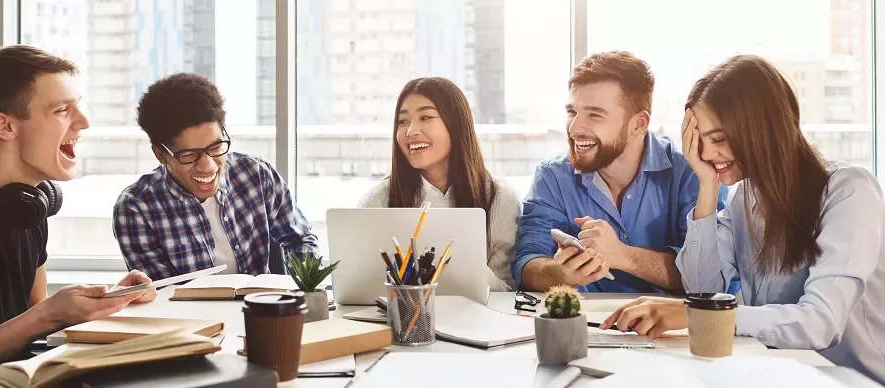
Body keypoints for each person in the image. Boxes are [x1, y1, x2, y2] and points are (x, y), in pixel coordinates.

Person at [600, 55, 885, 384]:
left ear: (763, 128)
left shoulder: (848, 192)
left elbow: (821, 323)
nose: (707, 155)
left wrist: (699, 317)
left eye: (718, 140)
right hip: (785, 375)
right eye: (700, 142)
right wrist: (707, 187)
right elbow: (702, 288)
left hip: (857, 380)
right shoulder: (743, 197)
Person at [0, 45, 156, 387]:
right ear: (5, 126)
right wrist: (49, 314)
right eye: (62, 110)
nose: (83, 122)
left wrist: (109, 300)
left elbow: (31, 320)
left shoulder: (28, 207)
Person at [514, 51, 727, 294]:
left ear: (638, 124)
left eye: (595, 115)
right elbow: (526, 263)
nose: (574, 128)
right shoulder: (552, 176)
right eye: (572, 112)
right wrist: (561, 273)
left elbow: (712, 280)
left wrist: (623, 256)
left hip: (671, 328)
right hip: (585, 325)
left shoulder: (691, 173)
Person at [113, 73, 320, 280]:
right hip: (191, 313)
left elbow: (300, 238)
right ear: (160, 154)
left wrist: (305, 287)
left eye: (216, 147)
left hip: (263, 308)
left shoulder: (257, 174)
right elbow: (164, 295)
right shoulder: (136, 208)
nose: (208, 166)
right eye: (189, 155)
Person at [357, 77, 521, 291]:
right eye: (402, 121)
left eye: (425, 117)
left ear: (456, 125)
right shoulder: (377, 200)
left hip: (477, 320)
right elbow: (362, 289)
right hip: (399, 321)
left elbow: (508, 289)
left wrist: (466, 273)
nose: (411, 131)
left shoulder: (500, 198)